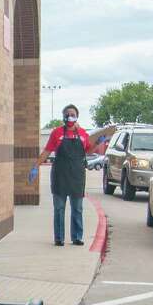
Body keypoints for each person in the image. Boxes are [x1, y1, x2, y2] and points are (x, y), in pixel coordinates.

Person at [30, 105, 94, 245]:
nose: (70, 116)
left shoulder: (83, 134)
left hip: (77, 177)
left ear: (77, 116)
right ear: (63, 116)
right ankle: (59, 238)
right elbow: (47, 151)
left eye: (72, 114)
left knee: (77, 208)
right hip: (60, 176)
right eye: (67, 114)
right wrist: (36, 166)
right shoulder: (56, 133)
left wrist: (98, 142)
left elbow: (89, 150)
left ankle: (77, 237)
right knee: (59, 209)